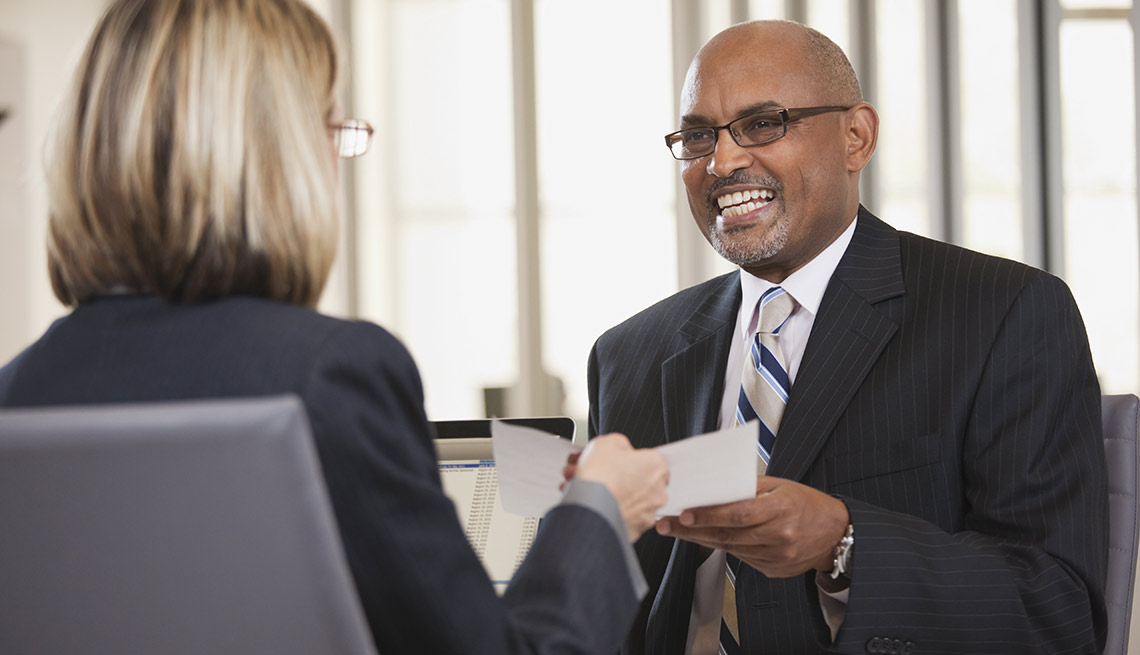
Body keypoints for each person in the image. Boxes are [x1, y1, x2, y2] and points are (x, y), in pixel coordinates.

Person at [0, 1, 671, 653]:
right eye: (330, 129)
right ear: (275, 157)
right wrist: (597, 508)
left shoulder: (16, 390)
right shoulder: (330, 375)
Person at [588, 19, 1107, 655]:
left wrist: (845, 543)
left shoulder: (1004, 314)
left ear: (856, 137)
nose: (722, 161)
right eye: (699, 137)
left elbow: (1058, 610)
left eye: (763, 123)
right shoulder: (629, 355)